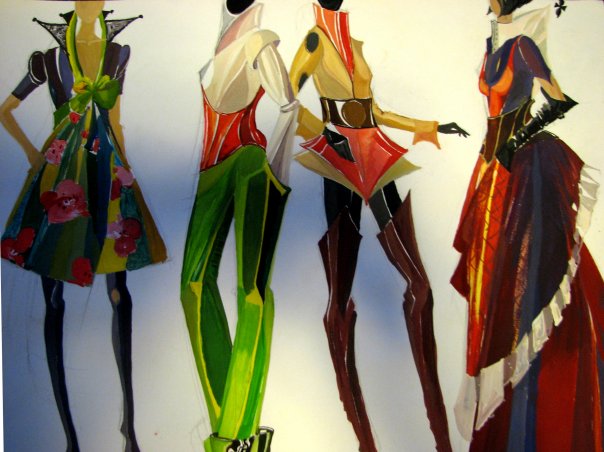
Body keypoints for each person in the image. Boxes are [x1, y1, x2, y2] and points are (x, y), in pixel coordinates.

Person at [289, 1, 468, 451]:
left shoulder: (353, 43)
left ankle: (441, 440)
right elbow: (286, 98)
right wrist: (324, 136)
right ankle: (365, 442)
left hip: (374, 152)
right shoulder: (314, 40)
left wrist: (427, 126)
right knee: (339, 300)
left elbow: (373, 109)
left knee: (420, 285)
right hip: (340, 160)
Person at [0, 2, 167, 451]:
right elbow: (5, 110)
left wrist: (125, 174)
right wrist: (33, 154)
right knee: (54, 298)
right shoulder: (47, 59)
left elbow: (115, 118)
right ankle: (71, 439)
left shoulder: (116, 53)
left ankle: (129, 430)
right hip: (62, 175)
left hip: (105, 168)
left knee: (118, 293)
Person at [451, 1, 604, 450]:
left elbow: (560, 100)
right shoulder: (493, 45)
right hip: (489, 169)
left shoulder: (522, 46)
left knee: (521, 286)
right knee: (488, 288)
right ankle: (494, 417)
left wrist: (516, 141)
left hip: (522, 170)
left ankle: (525, 415)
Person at [179, 0, 298, 450]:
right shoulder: (220, 42)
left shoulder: (258, 41)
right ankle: (234, 429)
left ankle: (231, 436)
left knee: (252, 290)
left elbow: (288, 105)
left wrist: (276, 175)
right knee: (192, 286)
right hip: (211, 171)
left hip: (250, 161)